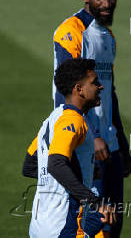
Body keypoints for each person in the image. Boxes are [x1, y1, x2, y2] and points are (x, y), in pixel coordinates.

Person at [23, 0, 131, 237]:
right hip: (86, 141)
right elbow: (67, 89)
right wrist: (90, 137)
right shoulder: (71, 32)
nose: (107, 4)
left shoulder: (108, 38)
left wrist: (121, 143)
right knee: (95, 225)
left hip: (110, 144)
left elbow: (110, 94)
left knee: (113, 222)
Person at [25, 58, 115, 237]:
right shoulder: (73, 120)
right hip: (63, 226)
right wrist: (94, 202)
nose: (100, 87)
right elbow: (56, 164)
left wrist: (83, 173)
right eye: (94, 83)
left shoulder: (53, 118)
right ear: (78, 89)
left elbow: (30, 166)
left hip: (39, 226)